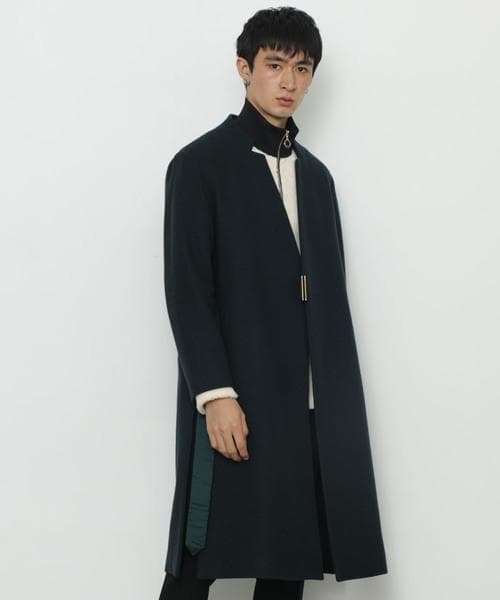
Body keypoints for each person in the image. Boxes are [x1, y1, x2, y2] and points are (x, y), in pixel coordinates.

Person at [159, 7, 388, 599]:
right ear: (245, 68)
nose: (289, 81)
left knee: (289, 564)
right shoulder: (199, 166)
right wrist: (215, 395)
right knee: (196, 560)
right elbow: (187, 289)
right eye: (275, 64)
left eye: (302, 68)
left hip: (308, 409)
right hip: (235, 398)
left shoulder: (317, 178)